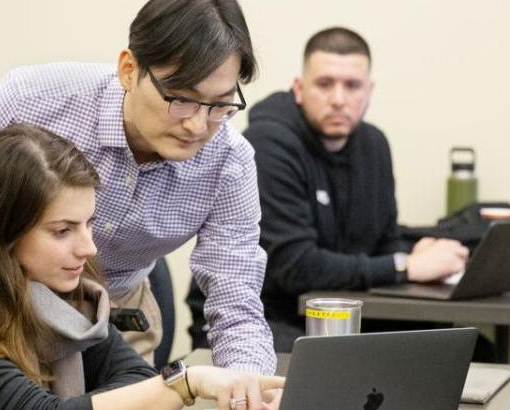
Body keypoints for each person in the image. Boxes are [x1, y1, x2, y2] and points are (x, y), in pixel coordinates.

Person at [0, 0, 275, 375]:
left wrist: (249, 384)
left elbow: (236, 301)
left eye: (220, 106)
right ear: (129, 70)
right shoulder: (29, 100)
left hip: (114, 309)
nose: (198, 126)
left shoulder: (229, 163)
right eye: (182, 99)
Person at [0, 124, 284, 410]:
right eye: (62, 231)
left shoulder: (61, 299)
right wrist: (186, 384)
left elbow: (132, 377)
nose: (88, 247)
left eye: (88, 224)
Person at [188, 27, 469, 351]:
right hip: (260, 319)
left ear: (369, 90)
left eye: (352, 86)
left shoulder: (373, 145)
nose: (338, 99)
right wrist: (404, 266)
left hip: (333, 313)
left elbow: (381, 238)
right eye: (325, 84)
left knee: (461, 348)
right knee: (361, 365)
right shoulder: (268, 144)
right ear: (299, 88)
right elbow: (296, 266)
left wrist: (414, 253)